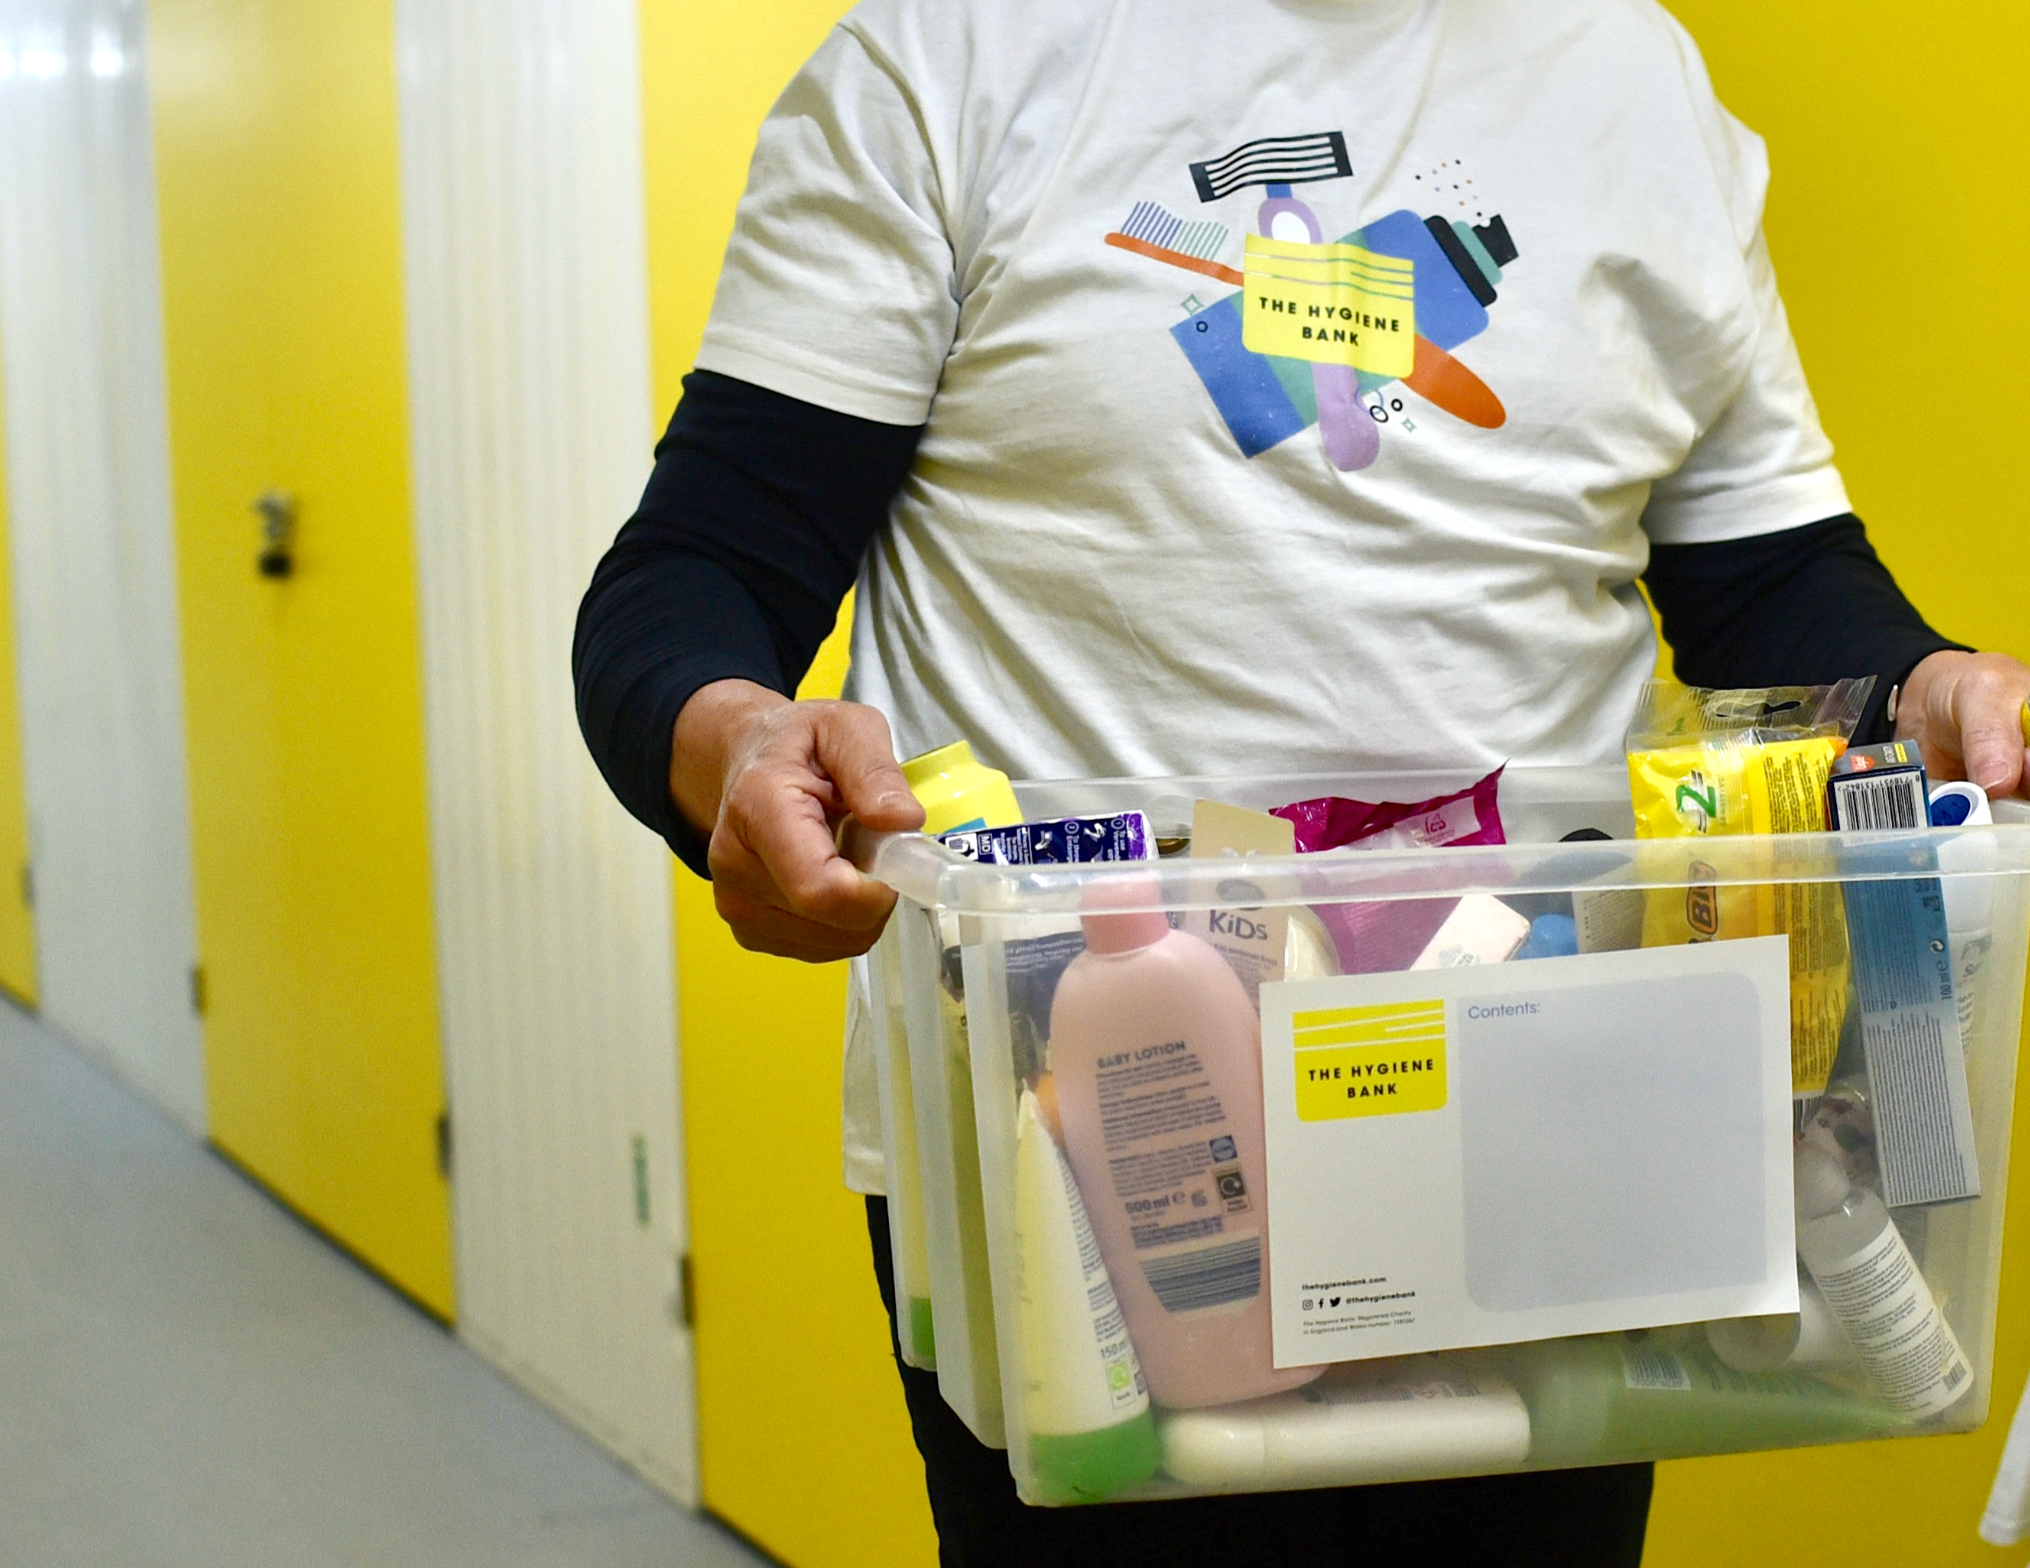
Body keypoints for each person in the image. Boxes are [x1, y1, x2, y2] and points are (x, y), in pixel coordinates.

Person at [575, 0, 2030, 1561]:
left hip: (1553, 1085)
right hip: (1090, 1127)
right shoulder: (947, 61)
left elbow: (1774, 581)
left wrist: (1926, 685)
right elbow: (699, 568)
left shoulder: (1631, 70)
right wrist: (730, 732)